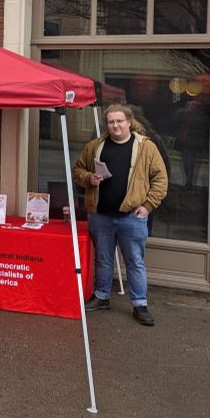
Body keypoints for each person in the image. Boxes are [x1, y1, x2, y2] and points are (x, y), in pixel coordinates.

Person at [73, 103, 168, 326]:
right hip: (101, 215)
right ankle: (102, 297)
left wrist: (147, 205)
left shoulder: (146, 147)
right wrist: (89, 178)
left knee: (135, 261)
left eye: (119, 121)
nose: (115, 125)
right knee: (103, 259)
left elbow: (161, 180)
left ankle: (140, 304)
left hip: (131, 217)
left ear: (129, 122)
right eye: (111, 122)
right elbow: (78, 170)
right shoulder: (96, 146)